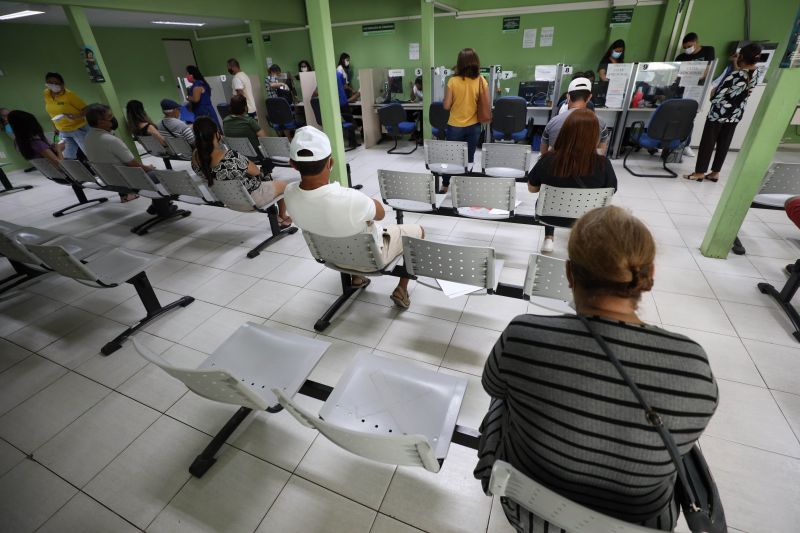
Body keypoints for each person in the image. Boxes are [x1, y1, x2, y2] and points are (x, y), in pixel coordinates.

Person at [474, 205, 718, 533]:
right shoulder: (693, 366)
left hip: (529, 507)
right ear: (650, 275)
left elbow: (493, 388)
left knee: (506, 390)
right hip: (638, 524)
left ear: (570, 274)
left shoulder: (524, 334)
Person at [284, 126, 424, 308]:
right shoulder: (351, 198)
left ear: (292, 164)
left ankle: (357, 279)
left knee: (345, 229)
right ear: (330, 163)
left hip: (330, 257)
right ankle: (401, 289)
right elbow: (380, 214)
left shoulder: (289, 193)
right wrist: (367, 202)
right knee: (418, 231)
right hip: (372, 259)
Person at [529, 109, 617, 253]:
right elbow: (611, 191)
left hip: (549, 217)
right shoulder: (603, 164)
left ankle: (548, 238)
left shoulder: (548, 160)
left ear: (565, 131)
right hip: (587, 219)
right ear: (595, 135)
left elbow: (532, 189)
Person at [684, 43, 762, 183]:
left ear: (742, 56)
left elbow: (716, 97)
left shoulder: (734, 75)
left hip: (719, 114)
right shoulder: (756, 72)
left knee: (708, 142)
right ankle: (715, 173)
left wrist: (713, 93)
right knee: (724, 143)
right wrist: (735, 64)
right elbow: (742, 78)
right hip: (735, 114)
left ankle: (700, 172)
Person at [191, 116, 291, 225]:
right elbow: (256, 172)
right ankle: (282, 216)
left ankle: (277, 216)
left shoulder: (195, 157)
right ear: (216, 134)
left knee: (266, 179)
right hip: (251, 199)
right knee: (284, 185)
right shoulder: (230, 156)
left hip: (227, 199)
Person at [84, 103, 175, 207]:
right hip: (125, 181)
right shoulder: (110, 140)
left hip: (108, 179)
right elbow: (135, 166)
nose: (113, 119)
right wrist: (150, 168)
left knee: (154, 174)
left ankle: (156, 205)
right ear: (100, 122)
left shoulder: (88, 138)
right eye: (109, 117)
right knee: (168, 174)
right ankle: (163, 208)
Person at [441, 47, 490, 193]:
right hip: (474, 125)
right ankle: (464, 185)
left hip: (455, 125)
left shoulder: (453, 81)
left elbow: (446, 105)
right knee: (469, 157)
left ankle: (445, 184)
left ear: (459, 63)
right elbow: (486, 102)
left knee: (451, 157)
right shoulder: (481, 80)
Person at [541, 77, 609, 155]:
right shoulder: (601, 124)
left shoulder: (553, 122)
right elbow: (600, 153)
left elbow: (543, 152)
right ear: (589, 97)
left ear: (568, 96)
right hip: (587, 166)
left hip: (557, 165)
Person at [43, 72, 89, 160]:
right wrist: (55, 128)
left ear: (62, 84)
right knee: (67, 157)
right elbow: (51, 112)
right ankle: (74, 173)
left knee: (90, 154)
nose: (53, 85)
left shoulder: (69, 95)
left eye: (56, 83)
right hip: (62, 131)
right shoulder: (46, 93)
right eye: (50, 82)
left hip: (78, 128)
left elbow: (86, 109)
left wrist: (75, 116)